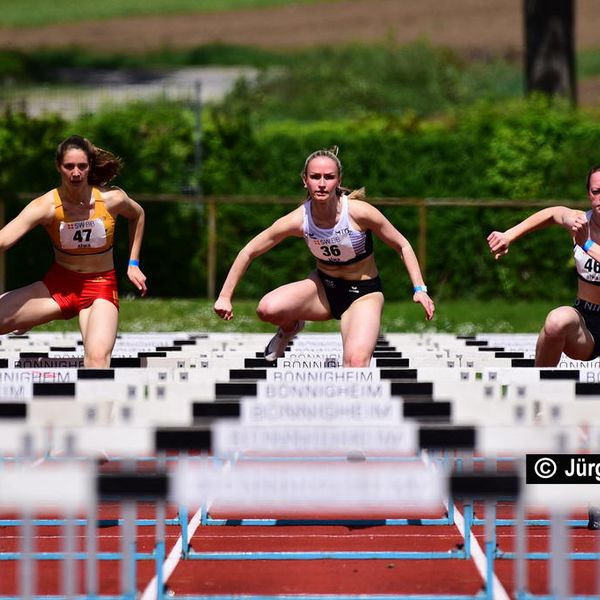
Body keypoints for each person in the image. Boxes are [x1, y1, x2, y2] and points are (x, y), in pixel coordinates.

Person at [213, 147, 434, 367]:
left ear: (338, 180)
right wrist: (225, 296)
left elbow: (402, 244)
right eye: (315, 177)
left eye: (328, 177)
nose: (321, 183)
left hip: (363, 294)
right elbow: (249, 251)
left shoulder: (358, 212)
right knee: (267, 308)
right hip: (323, 290)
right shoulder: (299, 219)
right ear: (304, 180)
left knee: (355, 362)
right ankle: (290, 328)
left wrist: (419, 289)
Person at [487, 164, 600, 530]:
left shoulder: (584, 235)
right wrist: (509, 235)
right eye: (596, 192)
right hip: (589, 321)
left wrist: (584, 244)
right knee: (555, 321)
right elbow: (552, 213)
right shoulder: (580, 219)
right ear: (589, 195)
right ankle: (541, 399)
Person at [0, 134, 147, 368]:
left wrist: (133, 263)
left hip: (100, 287)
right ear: (59, 167)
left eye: (82, 166)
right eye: (69, 166)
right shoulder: (46, 206)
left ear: (90, 167)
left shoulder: (112, 199)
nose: (76, 173)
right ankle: (32, 314)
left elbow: (138, 215)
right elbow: (3, 240)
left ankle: (95, 403)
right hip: (59, 287)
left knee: (97, 359)